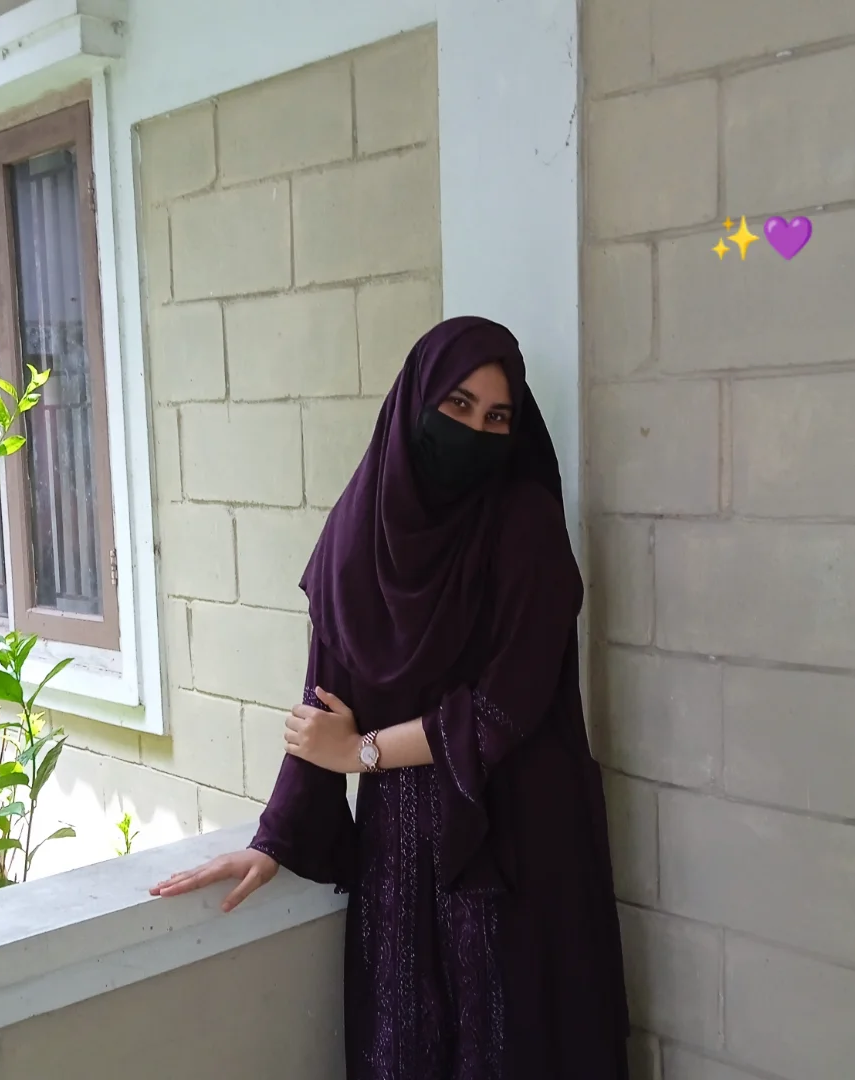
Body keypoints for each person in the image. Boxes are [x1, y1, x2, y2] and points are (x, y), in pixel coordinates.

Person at [151, 317, 631, 1079]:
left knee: (518, 1047)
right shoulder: (359, 533)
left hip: (518, 838)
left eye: (496, 417)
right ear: (415, 404)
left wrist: (362, 752)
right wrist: (278, 835)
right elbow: (323, 703)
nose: (475, 430)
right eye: (458, 406)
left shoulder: (525, 524)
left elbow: (505, 708)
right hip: (401, 855)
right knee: (407, 1048)